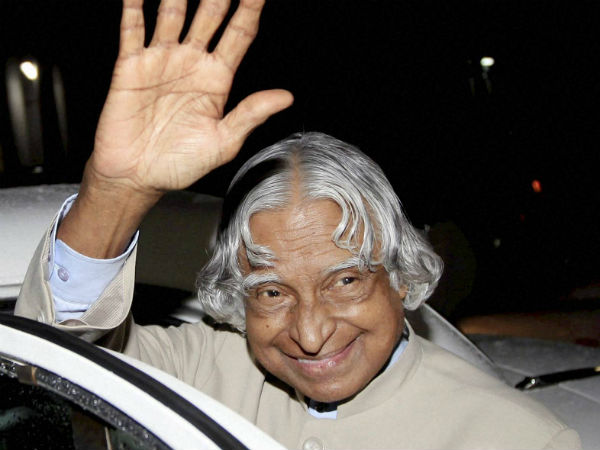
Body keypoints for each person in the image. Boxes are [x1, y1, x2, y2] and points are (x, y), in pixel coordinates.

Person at [16, 0, 580, 448]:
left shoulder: (516, 437)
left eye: (346, 281)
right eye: (271, 292)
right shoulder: (198, 371)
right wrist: (117, 193)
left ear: (401, 276)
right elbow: (51, 355)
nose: (309, 336)